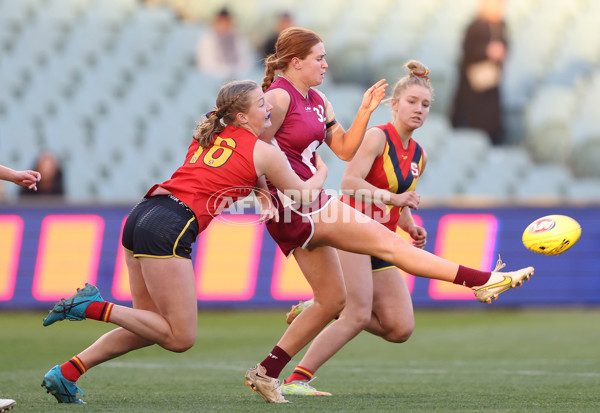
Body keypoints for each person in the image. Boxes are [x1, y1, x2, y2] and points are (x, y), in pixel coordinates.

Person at [244, 27, 534, 403]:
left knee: (335, 301)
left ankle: (265, 372)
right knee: (392, 254)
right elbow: (250, 150)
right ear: (296, 62)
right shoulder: (279, 96)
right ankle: (482, 280)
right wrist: (265, 194)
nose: (326, 64)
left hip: (308, 204)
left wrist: (363, 112)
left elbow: (346, 149)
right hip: (300, 204)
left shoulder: (317, 100)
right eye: (319, 58)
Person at [39, 79, 328, 404]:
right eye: (262, 103)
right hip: (170, 226)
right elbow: (303, 194)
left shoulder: (212, 129)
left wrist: (261, 195)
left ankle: (68, 372)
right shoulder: (265, 153)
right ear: (242, 117)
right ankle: (90, 306)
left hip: (144, 213)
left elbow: (244, 158)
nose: (270, 107)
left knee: (149, 325)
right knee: (179, 337)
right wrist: (320, 171)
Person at [450, 0, 507, 146]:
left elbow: (506, 45)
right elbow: (468, 50)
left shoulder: (501, 26)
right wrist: (487, 51)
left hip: (491, 84)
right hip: (472, 87)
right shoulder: (474, 26)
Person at [196, 7, 256, 80]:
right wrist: (225, 72)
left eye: (227, 22)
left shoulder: (239, 38)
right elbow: (206, 65)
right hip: (214, 79)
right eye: (221, 22)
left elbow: (247, 61)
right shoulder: (208, 39)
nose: (224, 25)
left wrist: (234, 72)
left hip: (238, 79)